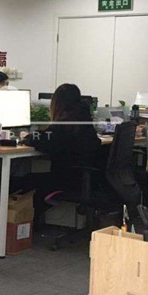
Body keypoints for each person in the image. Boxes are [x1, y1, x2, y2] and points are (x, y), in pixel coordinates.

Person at [18, 83, 102, 223]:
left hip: (66, 180)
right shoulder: (84, 121)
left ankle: (23, 224)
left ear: (58, 103)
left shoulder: (64, 124)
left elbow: (44, 140)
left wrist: (27, 137)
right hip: (85, 179)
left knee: (24, 180)